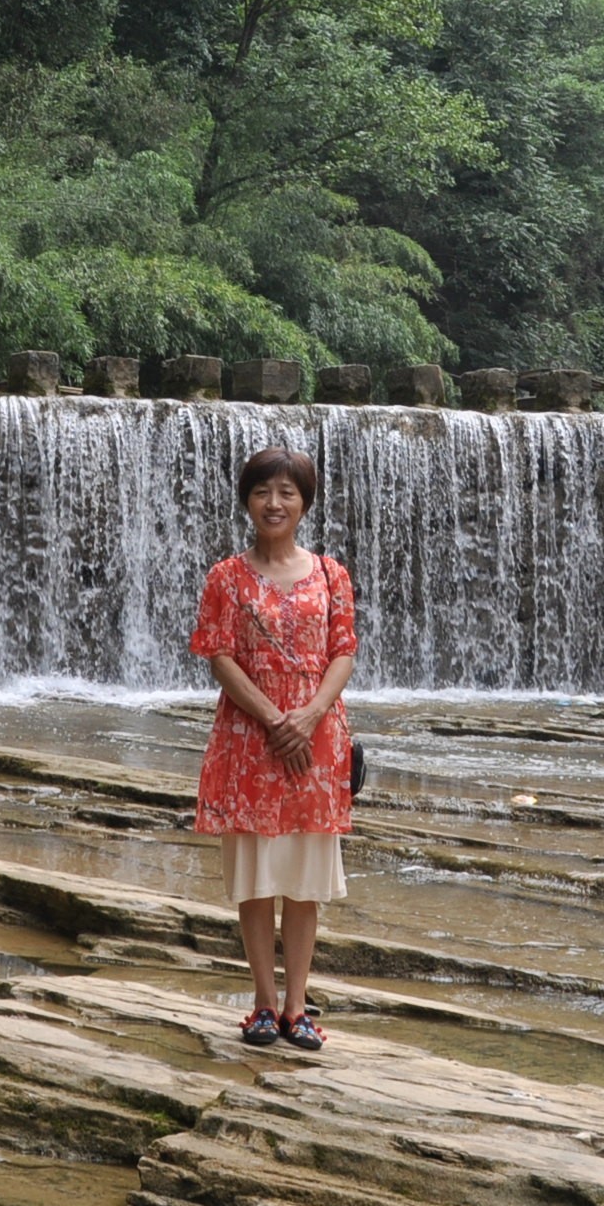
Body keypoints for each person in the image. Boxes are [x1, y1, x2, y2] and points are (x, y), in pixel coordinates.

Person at [190, 445, 356, 1051]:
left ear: (304, 502)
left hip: (315, 743)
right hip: (250, 739)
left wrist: (308, 717)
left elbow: (344, 651)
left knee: (304, 881)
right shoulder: (226, 578)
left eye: (287, 492)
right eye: (263, 491)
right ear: (247, 500)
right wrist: (272, 719)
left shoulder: (331, 575)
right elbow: (218, 655)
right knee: (258, 878)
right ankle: (262, 1004)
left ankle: (297, 1008)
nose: (274, 502)